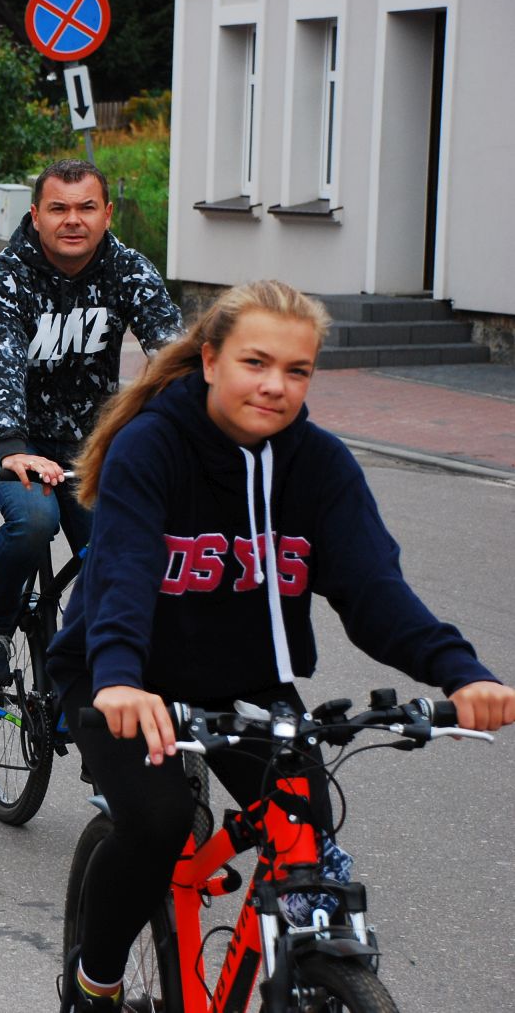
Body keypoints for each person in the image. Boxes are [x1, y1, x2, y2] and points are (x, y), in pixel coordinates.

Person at [48, 279, 515, 1011]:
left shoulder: (318, 464)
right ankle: (94, 984)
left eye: (297, 371)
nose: (275, 385)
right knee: (157, 821)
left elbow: (374, 591)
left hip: (242, 681)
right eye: (255, 362)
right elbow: (123, 577)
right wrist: (119, 680)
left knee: (304, 824)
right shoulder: (152, 446)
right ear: (210, 360)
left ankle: (296, 980)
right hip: (118, 674)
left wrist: (461, 673)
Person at [0, 158, 182, 688]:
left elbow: (174, 357)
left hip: (89, 439)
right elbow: (3, 364)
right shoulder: (7, 275)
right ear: (37, 215)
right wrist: (13, 444)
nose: (73, 220)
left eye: (86, 208)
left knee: (120, 544)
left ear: (107, 214)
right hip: (9, 430)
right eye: (59, 208)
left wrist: (198, 428)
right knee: (34, 522)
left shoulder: (129, 270)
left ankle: (94, 660)